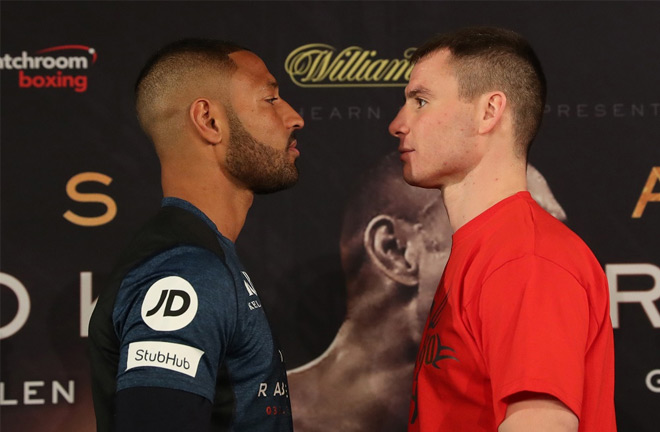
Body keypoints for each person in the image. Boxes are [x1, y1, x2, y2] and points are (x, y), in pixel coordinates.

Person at [388, 27, 616, 431]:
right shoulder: (490, 248)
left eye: (420, 101)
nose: (398, 124)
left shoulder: (525, 257)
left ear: (489, 112)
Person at [88, 38, 304, 432]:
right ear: (209, 121)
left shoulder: (201, 257)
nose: (294, 118)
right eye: (270, 99)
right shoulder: (189, 274)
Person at [288, 151, 567, 432]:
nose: (546, 265)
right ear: (396, 250)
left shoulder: (522, 410)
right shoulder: (268, 418)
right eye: (507, 235)